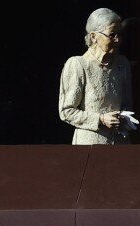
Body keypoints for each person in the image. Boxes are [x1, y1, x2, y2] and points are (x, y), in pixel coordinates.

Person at [58, 8, 133, 145]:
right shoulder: (78, 65)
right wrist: (101, 119)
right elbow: (66, 111)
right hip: (90, 145)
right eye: (112, 35)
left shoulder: (122, 64)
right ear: (93, 37)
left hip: (120, 143)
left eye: (120, 35)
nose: (118, 40)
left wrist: (124, 118)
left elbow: (127, 103)